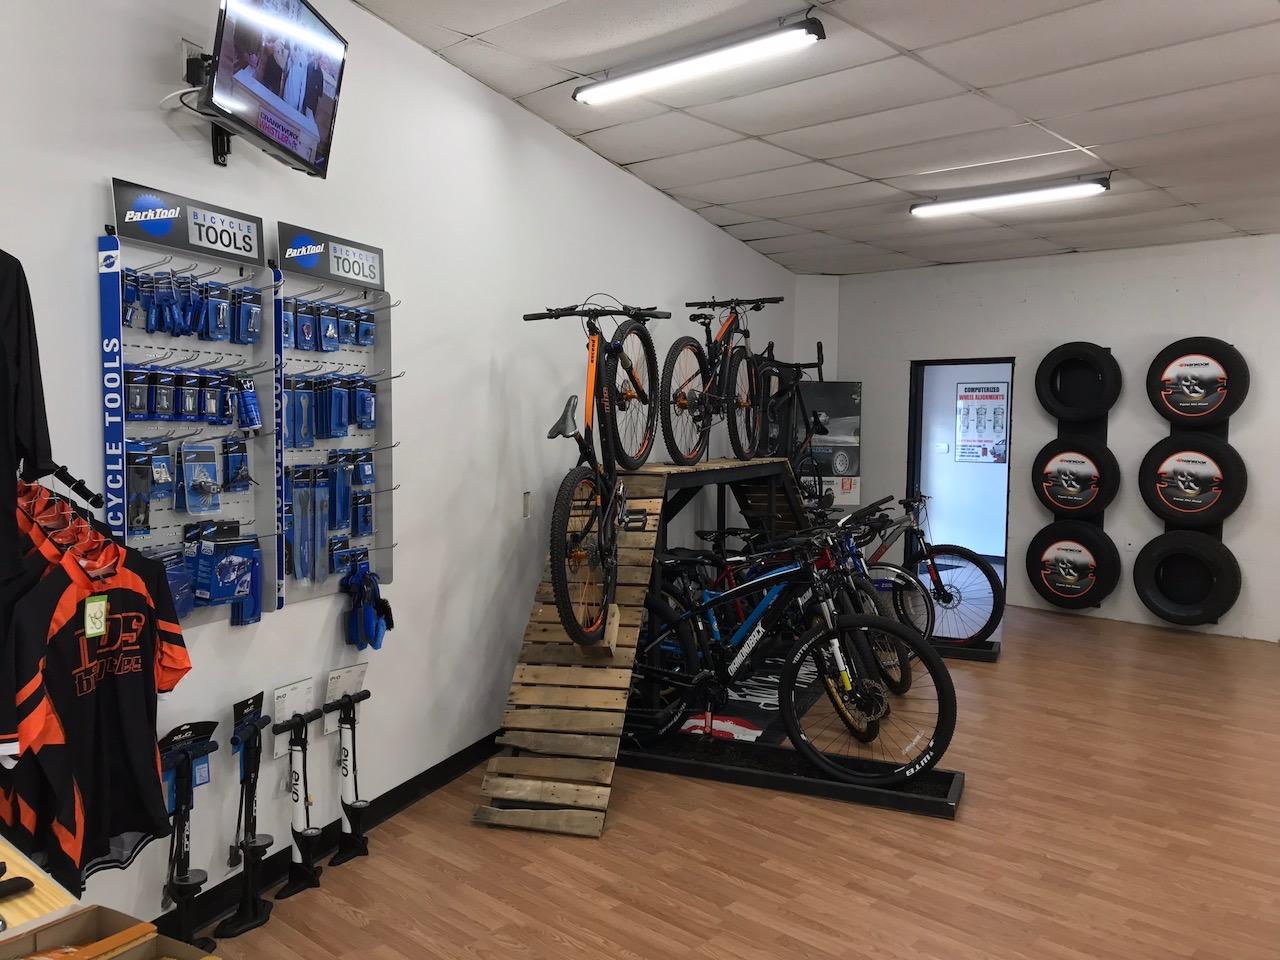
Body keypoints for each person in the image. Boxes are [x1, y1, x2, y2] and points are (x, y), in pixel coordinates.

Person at [303, 52, 324, 119]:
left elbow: (320, 93)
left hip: (311, 103)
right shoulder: (308, 65)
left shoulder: (320, 74)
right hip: (304, 98)